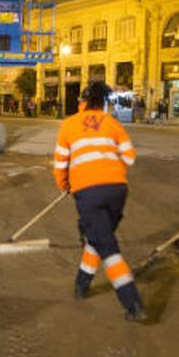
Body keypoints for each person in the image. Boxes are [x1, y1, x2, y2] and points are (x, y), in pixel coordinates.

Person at [53, 80, 147, 322]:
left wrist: (65, 186)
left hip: (88, 193)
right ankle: (81, 285)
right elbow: (130, 157)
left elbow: (60, 164)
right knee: (97, 239)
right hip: (117, 191)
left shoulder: (69, 124)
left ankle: (132, 303)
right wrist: (110, 170)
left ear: (83, 103)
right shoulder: (112, 123)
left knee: (108, 249)